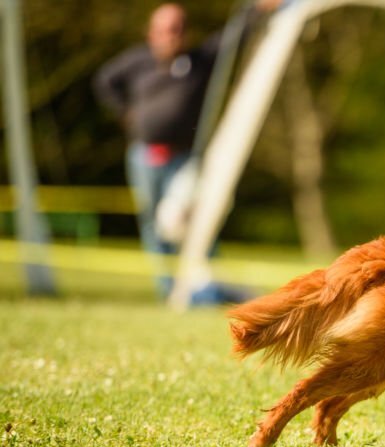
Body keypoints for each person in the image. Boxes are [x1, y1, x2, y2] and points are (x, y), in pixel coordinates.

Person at [94, 2, 280, 304]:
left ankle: (207, 285)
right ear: (152, 33)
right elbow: (104, 81)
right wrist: (125, 112)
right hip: (144, 157)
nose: (172, 35)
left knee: (189, 219)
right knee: (154, 225)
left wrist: (257, 9)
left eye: (178, 28)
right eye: (166, 29)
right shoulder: (137, 61)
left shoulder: (200, 61)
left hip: (185, 160)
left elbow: (233, 37)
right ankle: (171, 291)